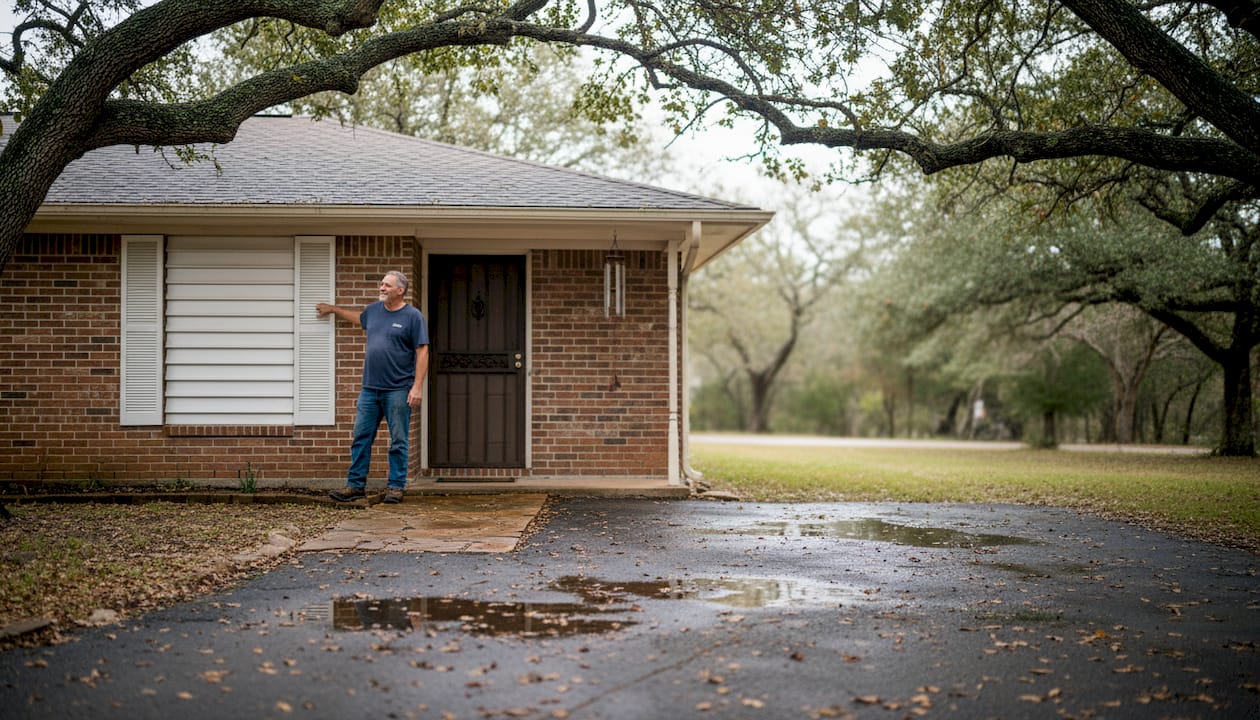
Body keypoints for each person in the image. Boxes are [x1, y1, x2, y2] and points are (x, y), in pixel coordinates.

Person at [316, 271, 429, 504]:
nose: (382, 288)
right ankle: (355, 485)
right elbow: (360, 318)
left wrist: (417, 387)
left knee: (398, 439)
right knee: (361, 436)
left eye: (387, 285)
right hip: (370, 388)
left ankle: (395, 487)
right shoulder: (374, 311)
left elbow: (423, 351)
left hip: (398, 389)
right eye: (382, 284)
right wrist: (334, 309)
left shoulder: (412, 317)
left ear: (400, 290)